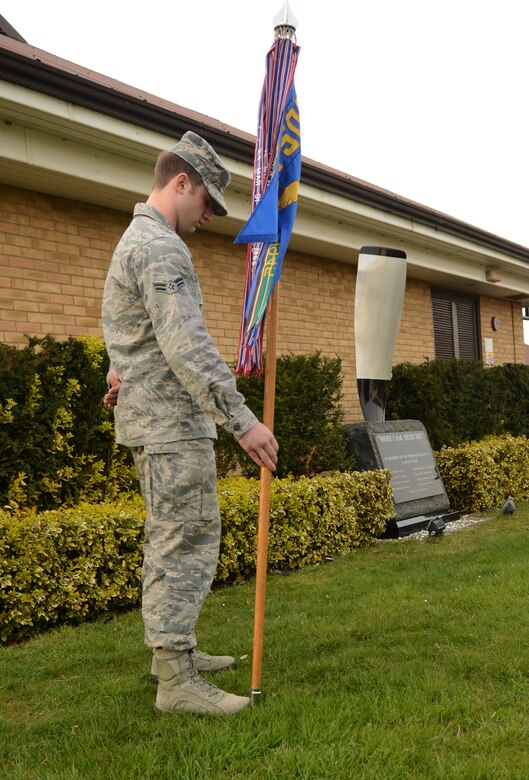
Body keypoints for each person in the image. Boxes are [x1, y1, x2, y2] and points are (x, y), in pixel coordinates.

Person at [102, 131, 278, 717]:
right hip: (172, 426)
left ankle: (172, 654)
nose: (207, 217)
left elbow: (130, 330)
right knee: (186, 541)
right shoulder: (160, 248)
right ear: (182, 182)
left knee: (171, 538)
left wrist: (121, 372)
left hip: (155, 421)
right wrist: (243, 421)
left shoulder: (135, 241)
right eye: (207, 202)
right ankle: (176, 681)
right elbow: (187, 347)